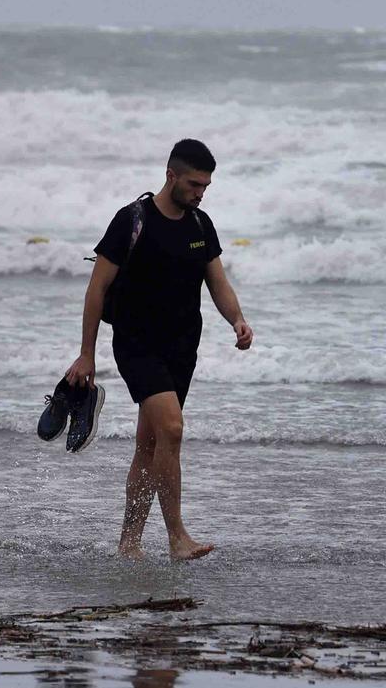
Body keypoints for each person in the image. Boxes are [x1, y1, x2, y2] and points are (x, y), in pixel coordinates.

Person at [64, 138, 252, 560]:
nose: (200, 192)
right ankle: (176, 537)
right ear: (170, 175)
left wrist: (236, 319)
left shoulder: (200, 226)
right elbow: (97, 289)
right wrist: (87, 353)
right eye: (193, 183)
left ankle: (129, 543)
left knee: (149, 447)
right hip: (137, 344)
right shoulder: (132, 220)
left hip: (183, 348)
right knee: (172, 429)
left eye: (206, 185)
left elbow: (217, 282)